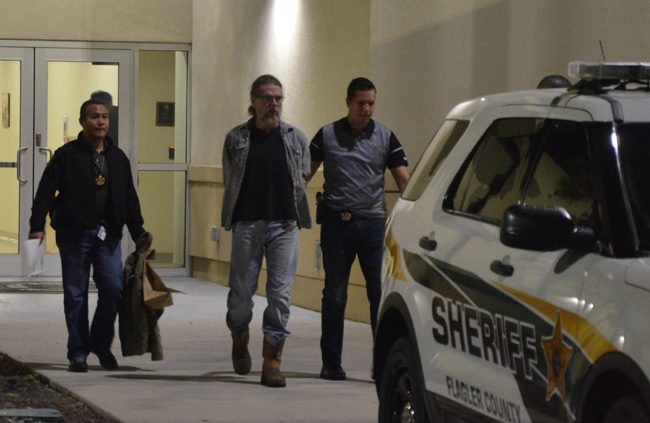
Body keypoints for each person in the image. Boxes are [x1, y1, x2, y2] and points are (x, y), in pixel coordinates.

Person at [29, 98, 146, 373]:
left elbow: (129, 197)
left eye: (104, 116)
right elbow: (45, 191)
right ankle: (78, 353)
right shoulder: (66, 155)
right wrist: (37, 224)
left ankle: (100, 343)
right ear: (83, 121)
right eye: (95, 116)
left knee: (114, 289)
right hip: (74, 234)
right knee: (76, 294)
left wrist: (139, 232)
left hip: (109, 235)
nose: (101, 121)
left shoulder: (117, 158)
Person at [310, 77, 409, 381]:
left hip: (373, 227)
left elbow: (405, 180)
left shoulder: (386, 136)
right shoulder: (326, 135)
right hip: (338, 225)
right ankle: (331, 363)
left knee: (380, 294)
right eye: (361, 103)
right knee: (335, 295)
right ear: (348, 102)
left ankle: (383, 367)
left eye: (371, 103)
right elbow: (303, 174)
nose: (366, 109)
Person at [221, 74, 311, 388]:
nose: (274, 105)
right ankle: (239, 334)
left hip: (284, 225)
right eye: (268, 98)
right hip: (247, 224)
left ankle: (272, 360)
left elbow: (304, 178)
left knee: (280, 295)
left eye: (279, 99)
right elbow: (230, 178)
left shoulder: (296, 138)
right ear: (254, 102)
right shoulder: (236, 138)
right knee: (241, 295)